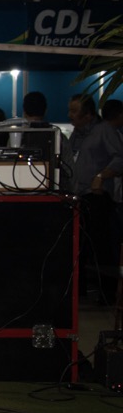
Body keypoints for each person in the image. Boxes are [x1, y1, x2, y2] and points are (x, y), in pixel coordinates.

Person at [66, 93, 123, 301]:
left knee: (100, 245)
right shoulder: (76, 135)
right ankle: (79, 292)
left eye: (74, 111)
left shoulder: (103, 131)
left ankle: (107, 293)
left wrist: (102, 176)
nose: (70, 115)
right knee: (78, 245)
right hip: (77, 196)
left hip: (97, 196)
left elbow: (120, 157)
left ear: (88, 115)